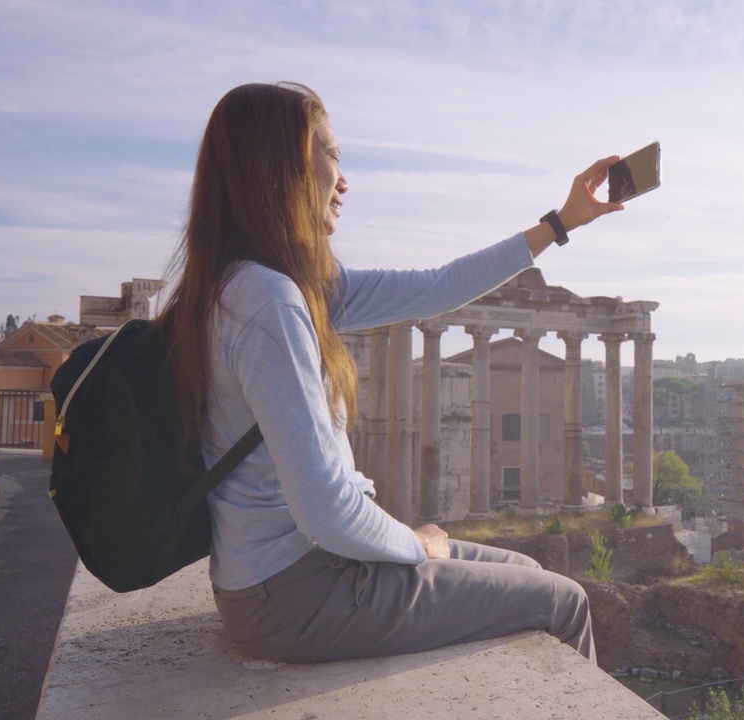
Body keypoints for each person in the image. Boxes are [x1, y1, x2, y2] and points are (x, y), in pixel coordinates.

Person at [155, 82, 624, 664]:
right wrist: (415, 546)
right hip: (297, 592)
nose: (344, 180)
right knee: (565, 602)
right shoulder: (268, 302)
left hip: (293, 575)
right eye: (331, 157)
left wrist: (559, 223)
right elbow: (324, 509)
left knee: (526, 571)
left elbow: (437, 287)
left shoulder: (277, 286)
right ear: (281, 169)